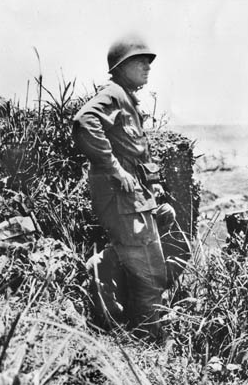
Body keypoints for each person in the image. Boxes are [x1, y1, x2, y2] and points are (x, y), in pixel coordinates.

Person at [72, 34, 175, 340]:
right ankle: (148, 338)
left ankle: (104, 264)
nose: (147, 67)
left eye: (148, 62)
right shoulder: (113, 95)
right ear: (121, 66)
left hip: (137, 199)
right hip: (122, 199)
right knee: (148, 271)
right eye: (140, 61)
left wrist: (154, 192)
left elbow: (136, 153)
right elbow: (83, 121)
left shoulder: (127, 99)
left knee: (150, 263)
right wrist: (114, 169)